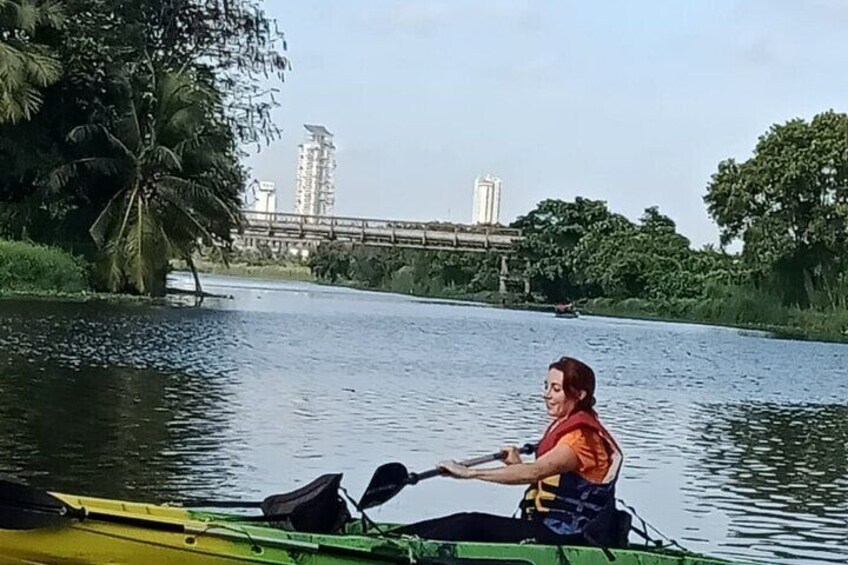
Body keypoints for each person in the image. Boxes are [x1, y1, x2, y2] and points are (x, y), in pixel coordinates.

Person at [394, 357, 624, 546]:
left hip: (568, 536)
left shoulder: (582, 439)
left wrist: (469, 473)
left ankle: (392, 545)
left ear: (579, 394)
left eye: (556, 389)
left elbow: (534, 472)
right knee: (467, 523)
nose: (547, 395)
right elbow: (539, 476)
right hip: (548, 529)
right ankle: (392, 538)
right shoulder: (566, 426)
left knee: (471, 524)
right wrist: (514, 465)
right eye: (546, 386)